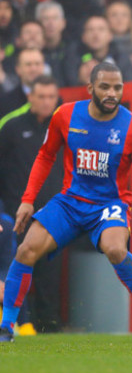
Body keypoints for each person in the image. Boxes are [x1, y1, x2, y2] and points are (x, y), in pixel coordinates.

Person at [0, 62, 132, 343]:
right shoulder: (66, 115)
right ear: (91, 88)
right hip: (70, 202)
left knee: (116, 250)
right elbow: (45, 156)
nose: (112, 93)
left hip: (109, 204)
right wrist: (27, 200)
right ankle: (6, 326)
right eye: (105, 86)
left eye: (117, 87)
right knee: (26, 251)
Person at [0, 75, 64, 332]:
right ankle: (17, 324)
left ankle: (49, 327)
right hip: (18, 215)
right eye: (41, 96)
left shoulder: (65, 129)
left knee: (50, 275)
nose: (47, 102)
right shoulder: (11, 127)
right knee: (18, 269)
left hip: (54, 215)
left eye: (51, 97)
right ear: (30, 97)